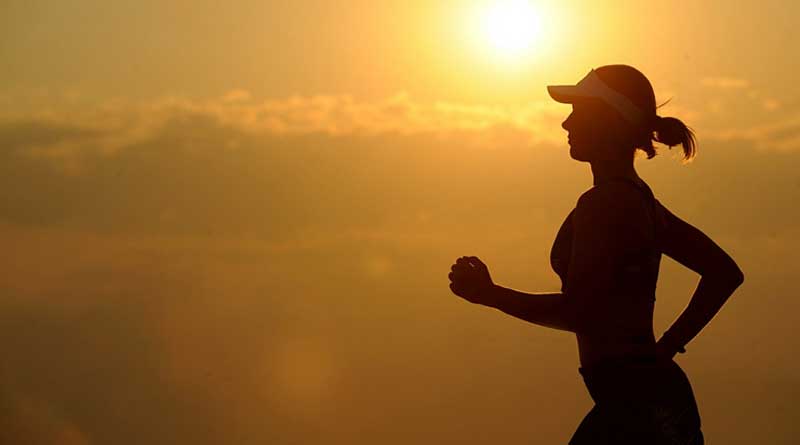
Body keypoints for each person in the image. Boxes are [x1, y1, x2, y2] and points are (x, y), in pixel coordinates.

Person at [447, 64, 745, 444]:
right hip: (648, 403)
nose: (566, 124)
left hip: (638, 410)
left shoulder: (606, 203)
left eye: (578, 112)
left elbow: (580, 312)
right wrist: (665, 349)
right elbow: (724, 272)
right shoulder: (640, 200)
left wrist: (491, 295)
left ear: (610, 121)